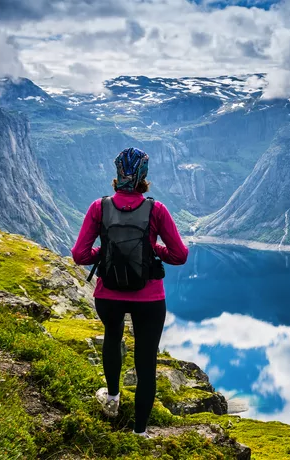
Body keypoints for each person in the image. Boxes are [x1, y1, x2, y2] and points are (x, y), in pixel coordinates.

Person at [71, 147, 188, 437]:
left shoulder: (99, 207)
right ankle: (139, 431)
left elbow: (79, 254)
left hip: (108, 293)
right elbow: (179, 254)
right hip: (148, 297)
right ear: (144, 176)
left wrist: (107, 252)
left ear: (117, 173)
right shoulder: (156, 209)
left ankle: (112, 399)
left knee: (113, 338)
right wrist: (152, 249)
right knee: (146, 359)